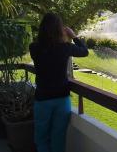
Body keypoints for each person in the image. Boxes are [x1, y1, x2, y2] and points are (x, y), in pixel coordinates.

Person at [29, 13, 88, 152]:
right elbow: (84, 51)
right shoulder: (65, 47)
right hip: (62, 99)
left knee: (41, 138)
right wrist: (73, 36)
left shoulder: (34, 48)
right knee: (58, 137)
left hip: (42, 99)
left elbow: (48, 50)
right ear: (59, 29)